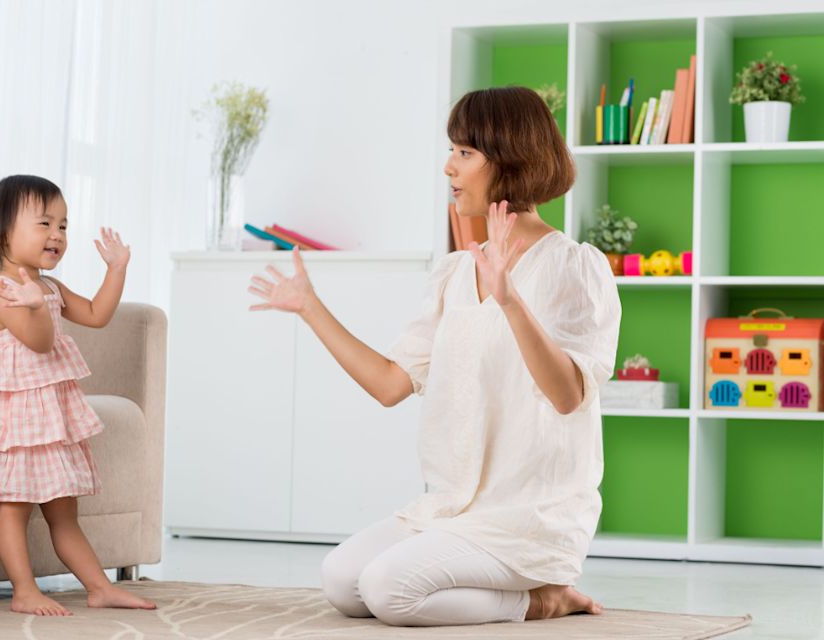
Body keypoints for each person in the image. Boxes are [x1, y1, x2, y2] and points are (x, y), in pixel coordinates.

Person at [247, 86, 621, 626]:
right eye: (452, 150)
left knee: (387, 590)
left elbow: (568, 397)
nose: (449, 166)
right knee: (342, 583)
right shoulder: (453, 274)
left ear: (511, 159)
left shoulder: (574, 267)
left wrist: (510, 301)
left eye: (465, 153)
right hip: (455, 509)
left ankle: (545, 597)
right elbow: (389, 385)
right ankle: (522, 592)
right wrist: (311, 308)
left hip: (528, 516)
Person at [0, 175, 156, 616]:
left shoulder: (49, 288)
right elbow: (40, 344)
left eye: (63, 225)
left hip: (51, 417)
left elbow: (98, 315)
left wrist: (116, 270)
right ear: (1, 233)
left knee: (65, 514)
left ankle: (99, 587)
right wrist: (34, 307)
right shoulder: (3, 293)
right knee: (16, 508)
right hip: (19, 420)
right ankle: (23, 590)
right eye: (44, 223)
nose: (57, 235)